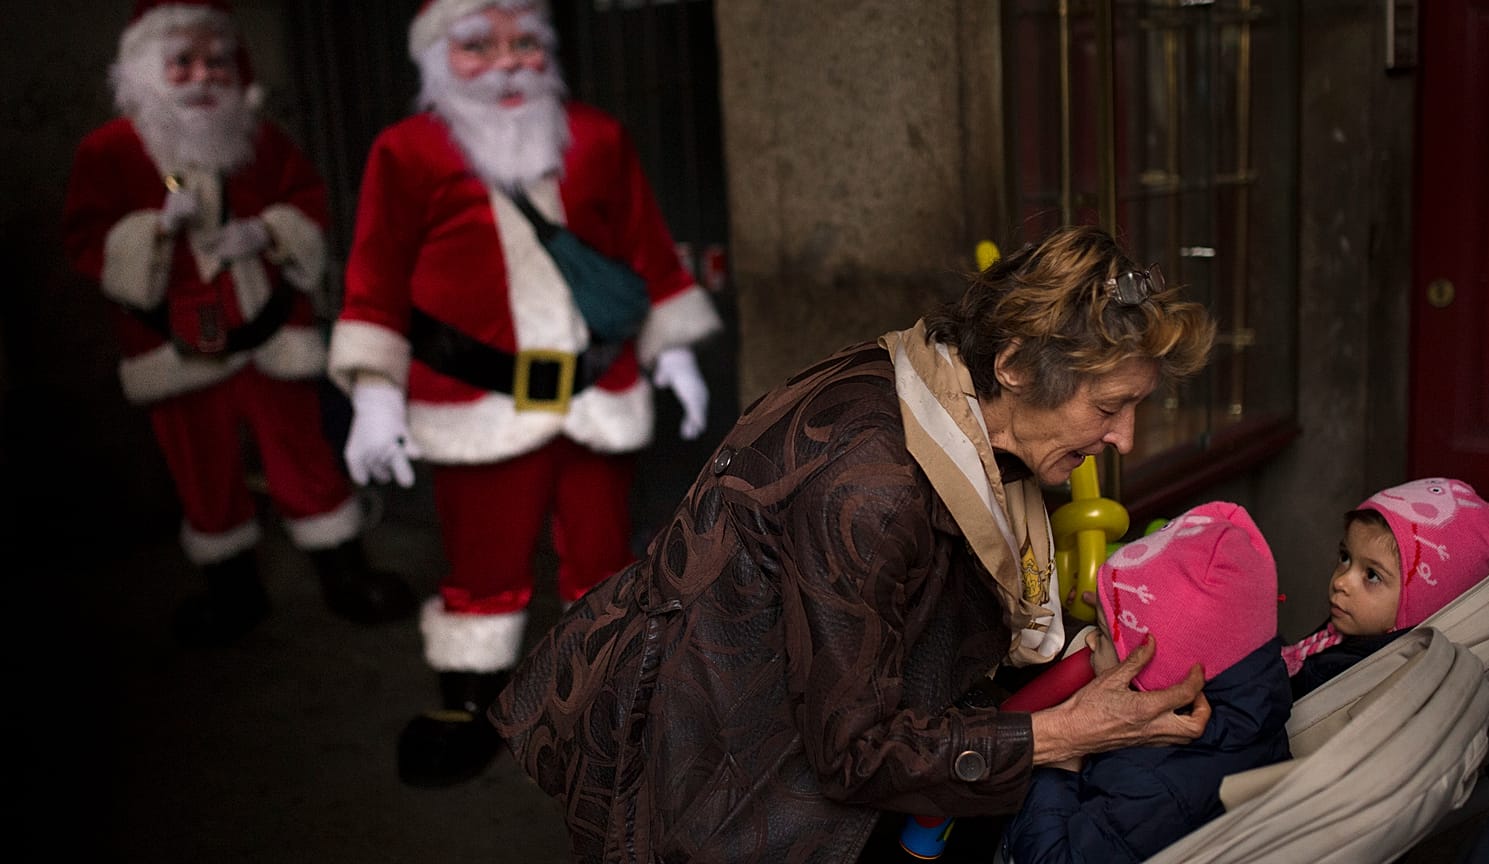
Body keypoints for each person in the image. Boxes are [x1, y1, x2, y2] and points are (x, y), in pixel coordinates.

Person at [491, 225, 1218, 862]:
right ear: (1018, 365)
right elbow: (854, 751)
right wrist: (1061, 734)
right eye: (1109, 407)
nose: (1123, 438)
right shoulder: (872, 484)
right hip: (723, 802)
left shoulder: (928, 378)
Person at [327, 0, 722, 787]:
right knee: (482, 564)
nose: (508, 63)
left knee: (605, 560)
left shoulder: (598, 138)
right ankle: (469, 704)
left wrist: (673, 351)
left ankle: (608, 702)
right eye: (479, 46)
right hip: (475, 405)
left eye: (524, 44)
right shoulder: (404, 153)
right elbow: (375, 277)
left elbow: (643, 247)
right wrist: (375, 392)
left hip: (595, 395)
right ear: (438, 54)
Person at [61, 0, 416, 648]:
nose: (202, 77)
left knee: (304, 454)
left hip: (269, 333)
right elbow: (84, 240)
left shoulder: (258, 140)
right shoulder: (107, 152)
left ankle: (343, 575)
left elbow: (307, 201)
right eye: (183, 63)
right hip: (173, 344)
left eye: (216, 62)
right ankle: (233, 593)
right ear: (146, 70)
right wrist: (151, 232)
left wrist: (270, 231)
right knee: (201, 468)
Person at [997, 501, 1292, 864]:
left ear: (1151, 675)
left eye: (1102, 634)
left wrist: (1061, 765)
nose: (1090, 641)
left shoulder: (1153, 785)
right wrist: (1118, 612)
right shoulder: (1248, 712)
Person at [1283, 476, 1489, 700]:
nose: (1341, 582)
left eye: (1371, 575)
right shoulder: (1356, 626)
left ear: (1418, 604)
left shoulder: (1347, 675)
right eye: (1345, 557)